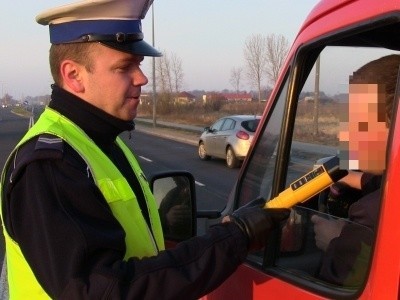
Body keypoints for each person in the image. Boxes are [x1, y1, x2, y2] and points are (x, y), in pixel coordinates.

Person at [0, 1, 290, 299]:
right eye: (125, 67)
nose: (142, 78)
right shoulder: (50, 164)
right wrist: (235, 238)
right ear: (74, 76)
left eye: (138, 65)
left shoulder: (104, 144)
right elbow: (104, 291)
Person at [311, 54, 400, 286]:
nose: (345, 136)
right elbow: (389, 181)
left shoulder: (370, 215)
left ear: (394, 124)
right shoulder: (385, 192)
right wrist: (351, 177)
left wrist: (335, 241)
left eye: (358, 124)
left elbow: (335, 286)